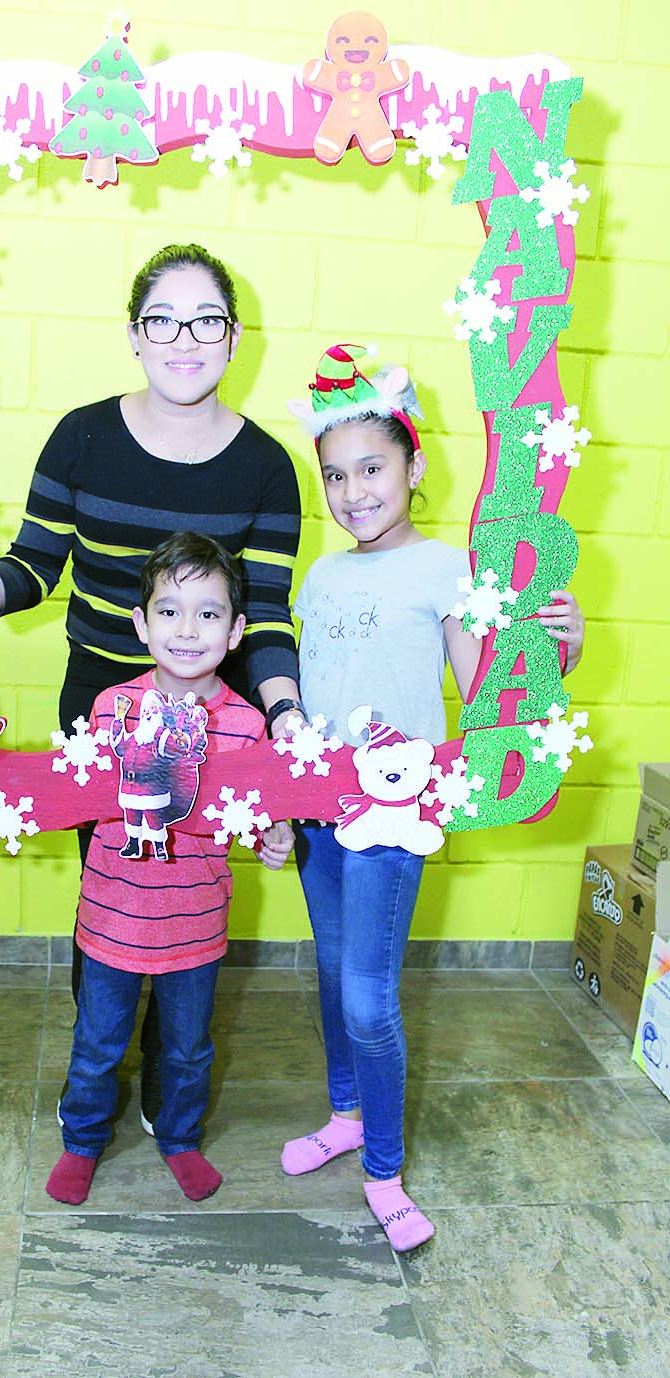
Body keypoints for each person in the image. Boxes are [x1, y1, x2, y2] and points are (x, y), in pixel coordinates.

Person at [0, 244, 306, 1129]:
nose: (184, 340)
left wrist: (284, 720)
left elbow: (262, 618)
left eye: (206, 321)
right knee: (111, 897)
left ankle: (169, 1079)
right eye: (163, 321)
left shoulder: (267, 466)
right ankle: (96, 1077)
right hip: (102, 712)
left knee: (190, 899)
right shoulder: (80, 436)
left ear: (233, 339)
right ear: (134, 336)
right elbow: (30, 572)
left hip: (214, 722)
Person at [280, 345, 585, 1252]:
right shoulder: (322, 578)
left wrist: (551, 651)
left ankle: (384, 1166)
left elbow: (485, 691)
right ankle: (343, 1113)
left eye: (371, 468)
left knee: (371, 999)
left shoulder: (447, 568)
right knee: (333, 982)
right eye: (334, 476)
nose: (352, 492)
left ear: (413, 465)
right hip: (318, 813)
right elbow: (306, 698)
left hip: (391, 817)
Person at [45, 533, 294, 1206]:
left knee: (186, 1049)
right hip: (111, 920)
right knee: (97, 1043)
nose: (188, 630)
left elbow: (264, 809)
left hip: (196, 926)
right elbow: (77, 799)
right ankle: (82, 1140)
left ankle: (180, 1138)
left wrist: (275, 835)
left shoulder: (248, 726)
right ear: (141, 624)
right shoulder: (108, 710)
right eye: (170, 611)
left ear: (237, 630)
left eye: (209, 613)